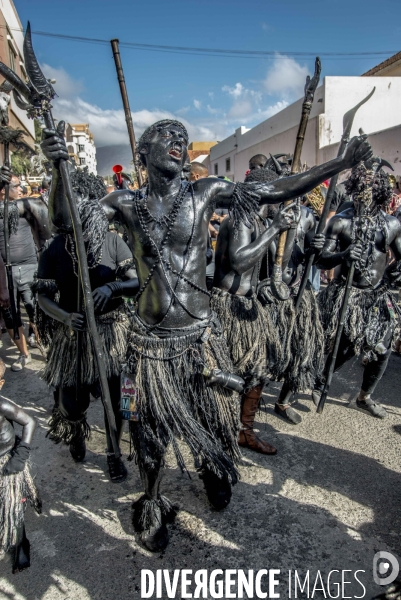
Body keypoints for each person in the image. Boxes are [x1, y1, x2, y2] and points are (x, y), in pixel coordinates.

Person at [41, 118, 372, 552]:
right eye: (167, 137)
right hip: (147, 349)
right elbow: (68, 222)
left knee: (215, 420)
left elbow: (274, 190)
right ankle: (153, 500)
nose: (179, 142)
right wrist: (56, 166)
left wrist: (337, 164)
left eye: (183, 136)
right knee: (147, 434)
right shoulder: (124, 203)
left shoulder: (206, 192)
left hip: (201, 339)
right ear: (144, 151)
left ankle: (214, 470)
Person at [33, 167, 137, 482]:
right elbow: (42, 297)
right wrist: (65, 316)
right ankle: (75, 428)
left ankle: (114, 451)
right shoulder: (54, 248)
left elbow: (136, 283)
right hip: (72, 337)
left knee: (123, 401)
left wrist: (115, 288)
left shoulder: (113, 241)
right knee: (70, 404)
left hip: (114, 333)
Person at [212, 166, 295, 454]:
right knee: (228, 373)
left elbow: (275, 270)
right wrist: (275, 228)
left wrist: (288, 229)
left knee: (258, 371)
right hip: (229, 308)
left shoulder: (259, 222)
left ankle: (245, 431)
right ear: (265, 194)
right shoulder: (239, 220)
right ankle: (220, 429)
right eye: (278, 192)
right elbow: (238, 262)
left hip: (250, 307)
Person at [314, 158, 401, 418]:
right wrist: (344, 255)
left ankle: (364, 396)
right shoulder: (341, 221)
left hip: (376, 295)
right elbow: (321, 260)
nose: (366, 194)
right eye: (362, 187)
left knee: (382, 348)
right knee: (348, 345)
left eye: (372, 188)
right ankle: (319, 379)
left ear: (381, 191)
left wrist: (392, 276)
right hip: (347, 293)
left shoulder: (392, 225)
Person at [251, 167, 325, 425]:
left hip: (297, 292)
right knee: (263, 355)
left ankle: (282, 401)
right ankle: (248, 409)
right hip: (267, 293)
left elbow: (316, 259)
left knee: (300, 350)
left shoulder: (307, 217)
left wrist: (318, 250)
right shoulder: (263, 215)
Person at [0, 171, 52, 366]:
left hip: (30, 267)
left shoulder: (26, 208)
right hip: (5, 273)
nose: (21, 189)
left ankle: (42, 345)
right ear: (3, 190)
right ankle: (24, 354)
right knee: (11, 316)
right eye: (15, 186)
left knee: (35, 310)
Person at [0, 373, 42, 573]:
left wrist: (21, 455)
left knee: (14, 508)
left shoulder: (3, 405)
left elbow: (30, 422)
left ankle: (20, 544)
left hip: (8, 464)